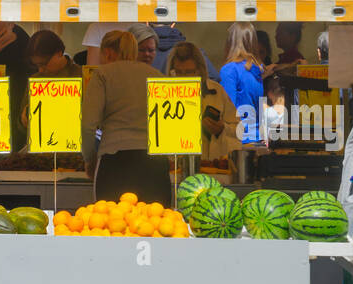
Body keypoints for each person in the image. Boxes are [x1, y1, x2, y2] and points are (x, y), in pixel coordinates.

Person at [81, 28, 167, 202]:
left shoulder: (102, 74)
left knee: (111, 222)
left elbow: (87, 125)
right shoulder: (156, 75)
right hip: (155, 162)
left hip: (114, 160)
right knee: (156, 222)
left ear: (107, 53)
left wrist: (89, 159)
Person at [165, 40, 238, 164]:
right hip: (177, 166)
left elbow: (239, 130)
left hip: (212, 166)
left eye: (189, 72)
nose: (184, 77)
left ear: (200, 70)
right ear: (172, 71)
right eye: (178, 72)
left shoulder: (217, 91)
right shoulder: (164, 95)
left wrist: (222, 129)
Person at [218, 24, 271, 146]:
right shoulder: (257, 70)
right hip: (258, 138)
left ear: (230, 42)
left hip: (239, 141)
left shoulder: (229, 70)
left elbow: (228, 110)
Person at [20, 30, 83, 130]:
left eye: (44, 64)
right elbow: (20, 125)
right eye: (36, 65)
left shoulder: (81, 76)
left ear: (59, 53)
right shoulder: (35, 80)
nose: (40, 69)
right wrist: (24, 119)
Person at [152, 23, 221, 82]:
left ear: (147, 23)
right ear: (173, 24)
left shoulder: (143, 55)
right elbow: (214, 77)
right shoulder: (193, 53)